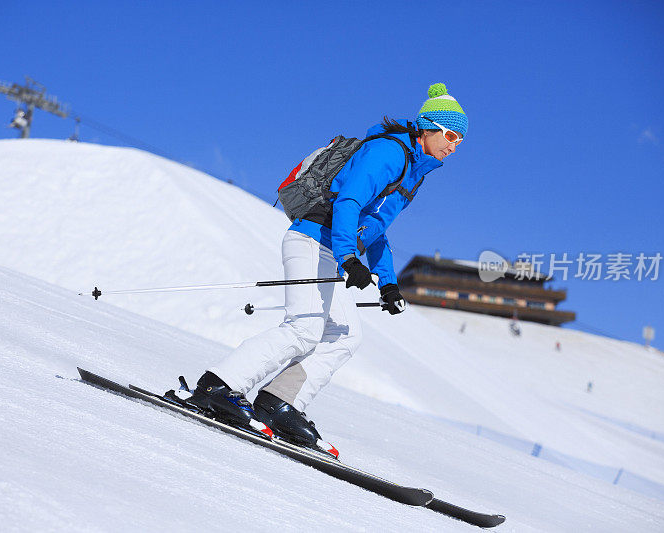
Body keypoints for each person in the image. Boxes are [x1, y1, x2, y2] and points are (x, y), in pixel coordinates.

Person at [185, 83, 468, 454]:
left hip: (329, 250)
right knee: (304, 328)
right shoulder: (388, 151)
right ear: (428, 126)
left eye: (461, 139)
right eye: (450, 133)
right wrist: (349, 257)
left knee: (345, 334)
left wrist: (389, 285)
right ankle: (217, 387)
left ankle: (279, 404)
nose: (454, 144)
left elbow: (377, 228)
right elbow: (349, 200)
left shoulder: (414, 171)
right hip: (312, 240)